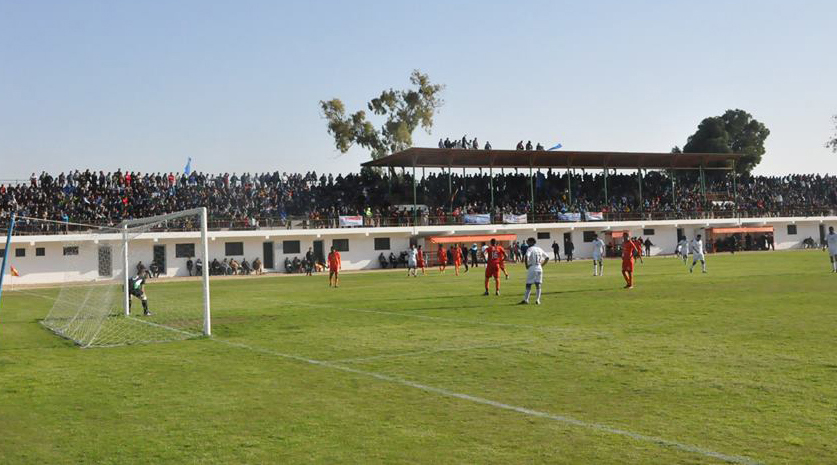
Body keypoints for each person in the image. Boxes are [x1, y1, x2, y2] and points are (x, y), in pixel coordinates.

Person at [519, 237, 549, 305]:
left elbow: (526, 256)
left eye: (528, 241)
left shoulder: (530, 249)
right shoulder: (539, 249)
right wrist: (542, 265)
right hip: (539, 268)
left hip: (532, 267)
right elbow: (547, 258)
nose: (527, 242)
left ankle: (526, 300)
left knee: (528, 284)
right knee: (538, 284)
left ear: (531, 242)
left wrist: (526, 265)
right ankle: (538, 300)